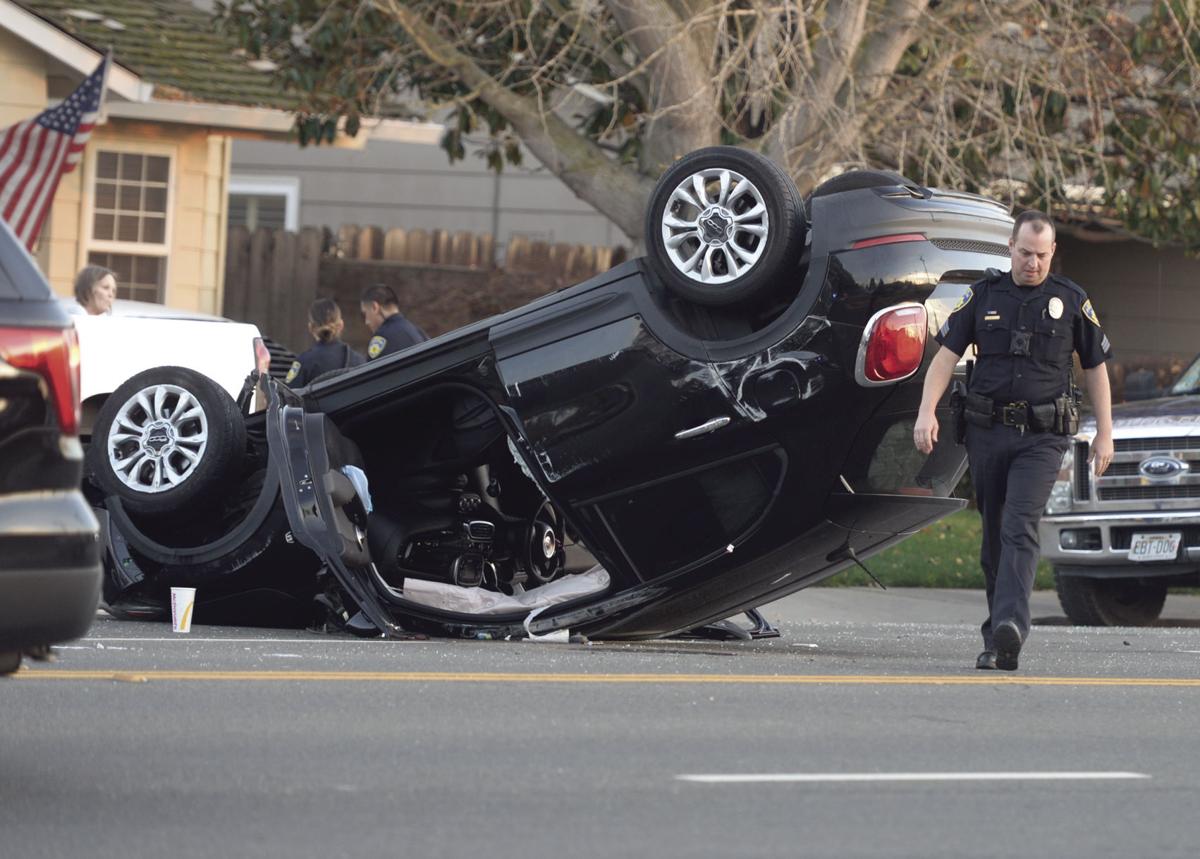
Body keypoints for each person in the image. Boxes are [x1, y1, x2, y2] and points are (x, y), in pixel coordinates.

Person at [913, 210, 1114, 671]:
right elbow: (945, 357)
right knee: (994, 539)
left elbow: (1097, 366)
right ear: (1011, 248)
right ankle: (997, 639)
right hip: (987, 433)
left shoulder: (1070, 299)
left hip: (1042, 438)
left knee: (1019, 525)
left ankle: (1011, 627)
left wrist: (1106, 432)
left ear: (1053, 253)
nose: (1033, 263)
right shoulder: (983, 295)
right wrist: (927, 412)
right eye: (1025, 253)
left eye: (1042, 255)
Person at [284, 298, 366, 387]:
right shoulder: (359, 361)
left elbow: (288, 396)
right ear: (341, 325)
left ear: (311, 328)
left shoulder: (304, 362)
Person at [360, 283, 428, 360]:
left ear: (374, 307)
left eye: (365, 313)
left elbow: (371, 370)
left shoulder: (382, 337)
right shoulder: (417, 331)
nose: (366, 321)